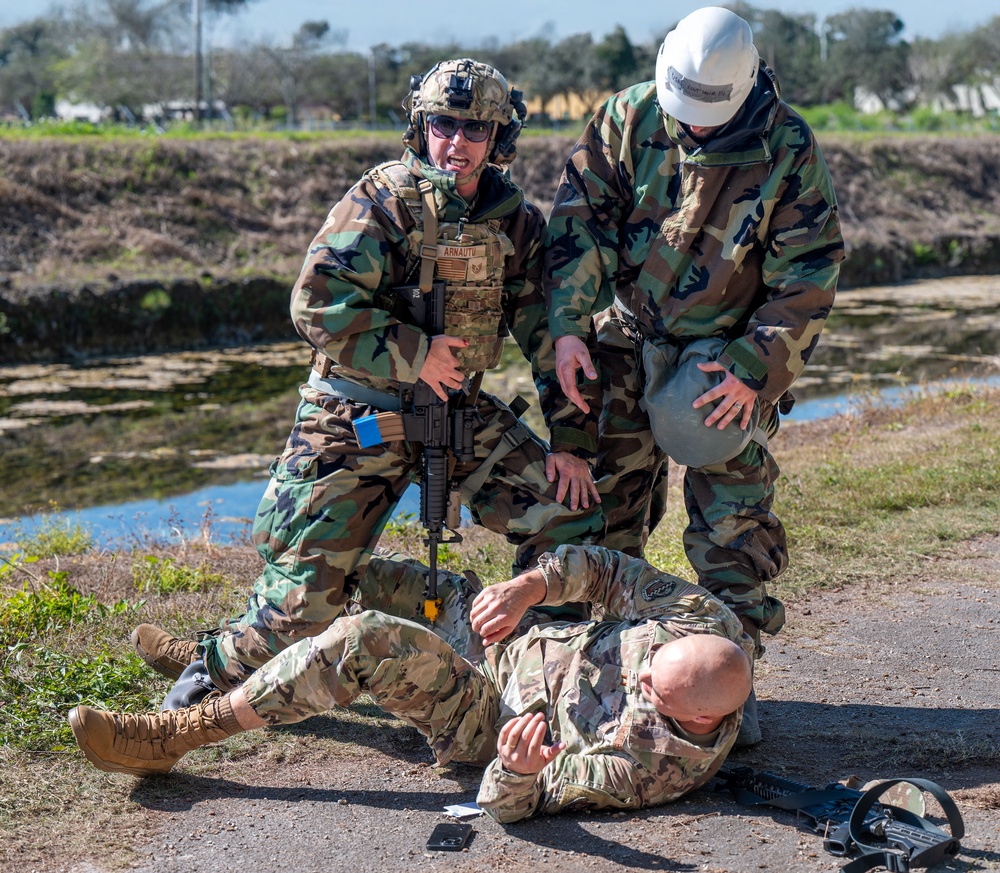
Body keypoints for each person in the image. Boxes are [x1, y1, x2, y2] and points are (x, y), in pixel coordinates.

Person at [132, 58, 603, 704]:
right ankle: (202, 680)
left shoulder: (515, 224)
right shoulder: (383, 199)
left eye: (474, 130)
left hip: (454, 414)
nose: (455, 143)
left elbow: (548, 337)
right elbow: (314, 303)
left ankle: (535, 675)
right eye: (442, 125)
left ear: (498, 139)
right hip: (355, 415)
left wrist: (572, 440)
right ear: (420, 125)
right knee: (304, 606)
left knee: (567, 515)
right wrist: (416, 354)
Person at [543, 7, 845, 745]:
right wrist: (567, 329)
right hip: (623, 335)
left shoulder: (786, 145)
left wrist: (754, 369)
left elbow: (808, 270)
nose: (697, 129)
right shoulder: (625, 118)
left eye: (713, 117)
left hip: (723, 351)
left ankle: (726, 685)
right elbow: (576, 226)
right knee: (604, 510)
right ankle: (617, 675)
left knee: (731, 525)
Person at [69, 544, 753, 823]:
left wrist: (514, 770)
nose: (637, 675)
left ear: (684, 719)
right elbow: (606, 572)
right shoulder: (706, 625)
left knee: (364, 638)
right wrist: (530, 585)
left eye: (647, 688)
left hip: (488, 710)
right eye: (647, 658)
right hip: (513, 639)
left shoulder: (648, 767)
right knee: (376, 575)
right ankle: (227, 654)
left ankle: (177, 733)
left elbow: (512, 802)